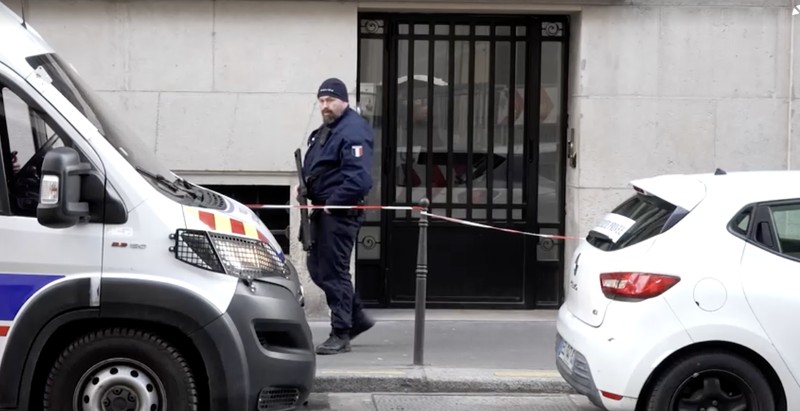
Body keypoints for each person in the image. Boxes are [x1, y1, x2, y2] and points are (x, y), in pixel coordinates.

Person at [302, 77, 375, 355]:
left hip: (339, 213)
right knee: (317, 268)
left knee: (334, 271)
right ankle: (356, 317)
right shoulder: (330, 128)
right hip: (322, 210)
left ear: (344, 100)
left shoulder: (352, 130)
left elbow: (359, 180)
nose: (325, 105)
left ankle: (341, 332)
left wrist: (333, 202)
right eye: (321, 100)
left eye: (330, 100)